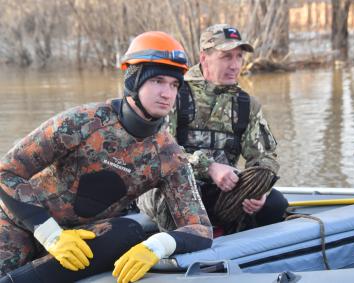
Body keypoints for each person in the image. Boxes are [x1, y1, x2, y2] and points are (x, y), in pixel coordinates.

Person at [0, 31, 212, 283]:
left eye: (174, 84)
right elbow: (7, 172)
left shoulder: (169, 155)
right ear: (134, 80)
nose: (167, 93)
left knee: (129, 232)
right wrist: (51, 235)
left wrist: (156, 246)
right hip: (19, 227)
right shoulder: (82, 122)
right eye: (158, 81)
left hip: (80, 241)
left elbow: (200, 229)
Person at [139, 24, 288, 235]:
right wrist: (209, 167)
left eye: (239, 57)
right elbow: (160, 154)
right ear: (204, 57)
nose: (235, 65)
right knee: (181, 199)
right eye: (226, 56)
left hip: (219, 192)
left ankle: (241, 247)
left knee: (275, 204)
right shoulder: (174, 93)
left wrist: (260, 190)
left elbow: (265, 157)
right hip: (170, 187)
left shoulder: (246, 104)